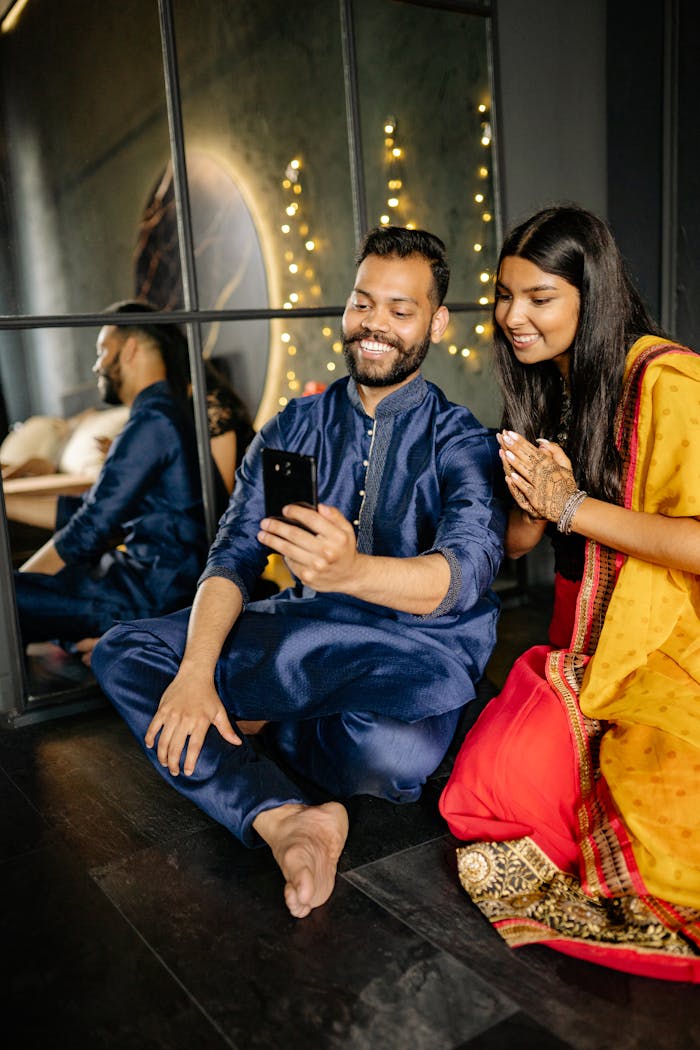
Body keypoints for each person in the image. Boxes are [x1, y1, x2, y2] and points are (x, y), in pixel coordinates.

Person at [92, 226, 506, 919]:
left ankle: (271, 734)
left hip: (414, 654)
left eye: (400, 311)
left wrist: (350, 570)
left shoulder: (462, 440)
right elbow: (232, 555)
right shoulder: (295, 424)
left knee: (395, 752)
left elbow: (462, 576)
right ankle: (283, 817)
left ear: (436, 322)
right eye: (363, 303)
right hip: (306, 635)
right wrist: (195, 671)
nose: (375, 325)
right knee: (126, 653)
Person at [439, 204, 700, 982]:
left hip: (666, 644)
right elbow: (524, 544)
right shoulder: (541, 393)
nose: (513, 317)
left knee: (663, 829)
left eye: (539, 298)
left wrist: (573, 507)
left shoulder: (668, 382)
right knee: (486, 794)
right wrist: (524, 502)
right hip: (577, 641)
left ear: (594, 297)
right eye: (503, 294)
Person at [13, 300, 209, 651]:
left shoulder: (154, 421)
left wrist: (20, 587)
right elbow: (88, 512)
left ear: (130, 349)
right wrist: (8, 502)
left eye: (103, 351)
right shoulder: (160, 414)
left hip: (153, 593)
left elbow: (89, 527)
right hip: (141, 582)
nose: (96, 364)